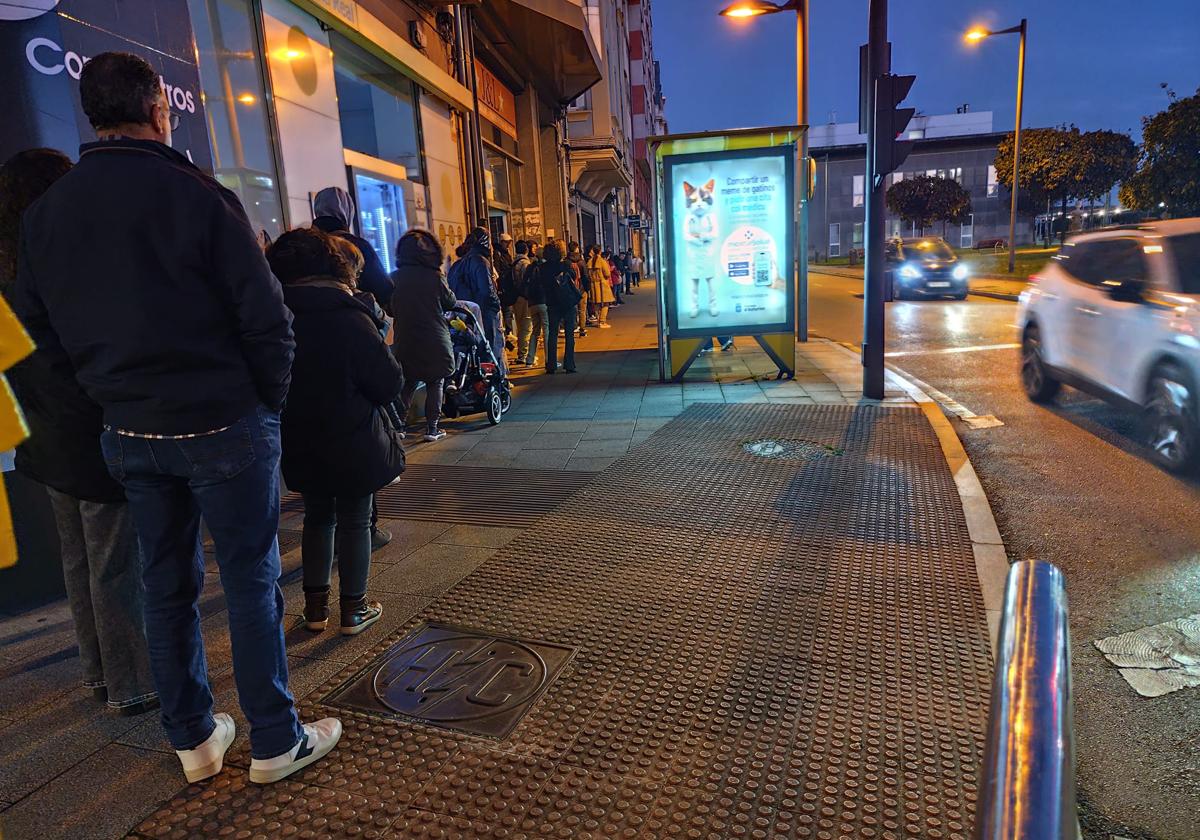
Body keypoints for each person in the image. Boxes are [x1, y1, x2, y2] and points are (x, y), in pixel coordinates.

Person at [10, 52, 340, 785]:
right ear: (159, 107)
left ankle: (193, 738)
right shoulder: (198, 196)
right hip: (223, 421)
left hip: (129, 430)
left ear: (92, 115)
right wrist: (265, 401)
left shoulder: (47, 216)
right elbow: (269, 321)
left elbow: (41, 335)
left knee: (165, 585)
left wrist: (107, 396)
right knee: (251, 581)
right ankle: (276, 740)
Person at [0, 148, 158, 717]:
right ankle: (134, 683)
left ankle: (99, 674)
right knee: (116, 563)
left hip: (39, 434)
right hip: (87, 428)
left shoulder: (8, 266)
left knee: (79, 560)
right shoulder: (62, 258)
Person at [267, 227, 403, 637]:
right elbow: (388, 382)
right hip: (352, 436)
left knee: (317, 517)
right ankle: (354, 609)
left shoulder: (272, 315)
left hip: (300, 436)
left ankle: (314, 610)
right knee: (355, 520)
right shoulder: (348, 316)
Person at [329, 236, 396, 551]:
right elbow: (387, 380)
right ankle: (354, 601)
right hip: (352, 423)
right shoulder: (356, 309)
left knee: (318, 514)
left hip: (300, 426)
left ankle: (316, 600)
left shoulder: (285, 305)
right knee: (357, 513)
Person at [391, 229, 457, 442]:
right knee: (435, 382)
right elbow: (450, 302)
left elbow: (390, 309)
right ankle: (432, 428)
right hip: (434, 338)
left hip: (406, 338)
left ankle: (399, 425)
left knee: (408, 382)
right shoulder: (435, 277)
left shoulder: (394, 278)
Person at [312, 186, 393, 314]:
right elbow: (384, 289)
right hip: (357, 321)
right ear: (348, 211)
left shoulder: (306, 244)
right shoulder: (358, 246)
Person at [448, 227, 506, 376]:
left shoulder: (457, 265)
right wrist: (496, 305)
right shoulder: (481, 262)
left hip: (464, 317)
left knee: (471, 351)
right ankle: (492, 381)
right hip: (484, 315)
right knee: (489, 350)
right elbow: (486, 291)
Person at [537, 239, 582, 374]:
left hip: (552, 302)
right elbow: (573, 277)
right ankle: (569, 364)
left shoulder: (543, 268)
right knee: (569, 334)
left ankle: (551, 364)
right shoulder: (565, 265)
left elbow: (542, 284)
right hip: (567, 301)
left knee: (552, 333)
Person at [521, 241, 549, 368]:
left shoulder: (530, 267)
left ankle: (529, 359)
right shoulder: (545, 268)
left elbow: (524, 283)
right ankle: (550, 359)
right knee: (547, 330)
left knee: (535, 331)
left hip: (532, 302)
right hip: (544, 301)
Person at [510, 240, 534, 366]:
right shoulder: (525, 263)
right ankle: (523, 355)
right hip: (525, 298)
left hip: (516, 298)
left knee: (520, 326)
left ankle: (521, 353)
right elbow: (527, 282)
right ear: (526, 250)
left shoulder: (514, 262)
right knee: (526, 327)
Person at [587, 245, 615, 329]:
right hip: (602, 284)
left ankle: (598, 320)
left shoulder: (590, 261)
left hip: (593, 285)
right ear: (600, 251)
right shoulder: (602, 261)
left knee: (596, 304)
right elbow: (607, 273)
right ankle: (602, 321)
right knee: (606, 303)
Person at [567, 242, 588, 337]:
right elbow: (586, 276)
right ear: (576, 249)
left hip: (570, 289)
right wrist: (587, 288)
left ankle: (572, 327)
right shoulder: (581, 261)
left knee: (572, 309)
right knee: (582, 310)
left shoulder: (566, 261)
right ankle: (582, 329)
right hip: (581, 289)